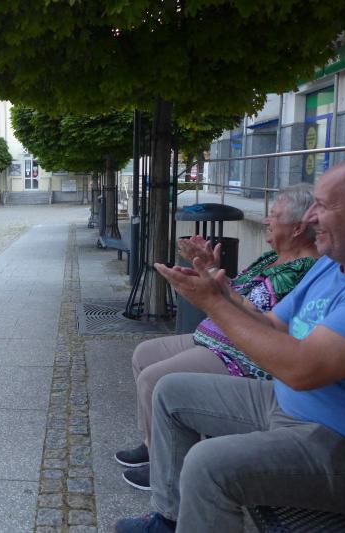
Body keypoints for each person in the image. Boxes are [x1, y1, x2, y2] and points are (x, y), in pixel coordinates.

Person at [115, 159, 345, 532]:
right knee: (169, 392)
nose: (311, 217)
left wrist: (212, 303)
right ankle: (168, 520)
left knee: (208, 465)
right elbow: (272, 323)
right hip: (289, 403)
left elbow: (302, 369)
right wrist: (217, 290)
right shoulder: (331, 264)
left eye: (323, 206)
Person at [116, 185, 318, 491]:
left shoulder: (303, 268)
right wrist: (209, 267)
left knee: (154, 378)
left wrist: (208, 286)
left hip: (240, 352)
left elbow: (253, 310)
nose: (266, 220)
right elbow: (236, 290)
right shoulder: (271, 258)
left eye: (274, 216)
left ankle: (165, 468)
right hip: (216, 336)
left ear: (299, 227)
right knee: (143, 354)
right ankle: (152, 444)